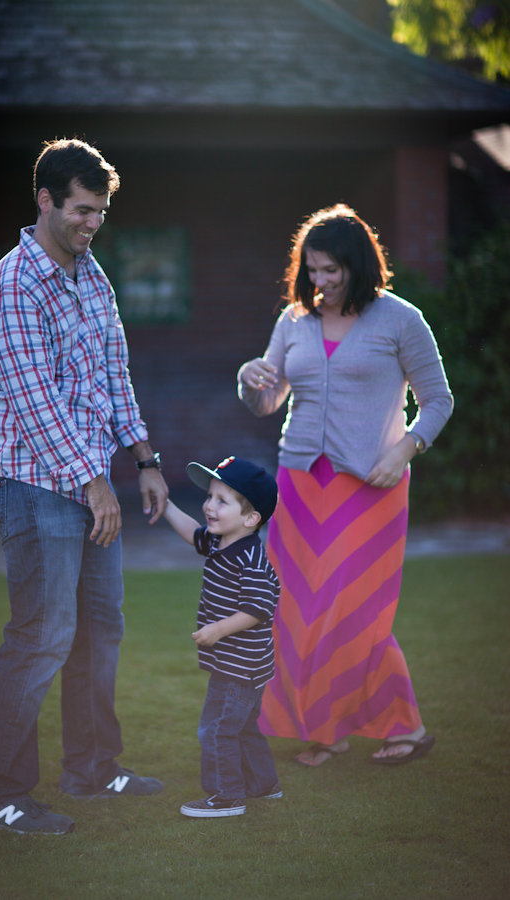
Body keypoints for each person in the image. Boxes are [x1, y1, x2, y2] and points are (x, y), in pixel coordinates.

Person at [0, 139, 169, 834]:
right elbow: (34, 401)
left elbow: (114, 372)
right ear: (45, 200)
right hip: (33, 484)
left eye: (101, 211)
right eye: (83, 210)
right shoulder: (13, 286)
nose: (93, 223)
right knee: (42, 635)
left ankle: (93, 769)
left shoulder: (91, 275)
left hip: (90, 482)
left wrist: (144, 457)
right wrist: (93, 483)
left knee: (100, 628)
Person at [237, 204, 453, 768]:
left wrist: (403, 450)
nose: (321, 281)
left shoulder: (400, 319)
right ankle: (325, 731)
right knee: (296, 613)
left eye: (331, 269)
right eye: (312, 269)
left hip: (372, 487)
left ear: (358, 264)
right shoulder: (294, 321)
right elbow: (267, 401)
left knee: (353, 613)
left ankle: (407, 729)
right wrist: (249, 379)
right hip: (299, 486)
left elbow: (438, 399)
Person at [162, 456, 281, 817]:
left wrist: (218, 629)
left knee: (215, 730)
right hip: (241, 664)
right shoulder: (220, 541)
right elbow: (192, 532)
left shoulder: (250, 559)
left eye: (221, 501)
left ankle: (226, 797)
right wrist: (165, 505)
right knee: (241, 727)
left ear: (251, 519)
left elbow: (258, 609)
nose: (209, 506)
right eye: (209, 497)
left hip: (240, 667)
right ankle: (264, 785)